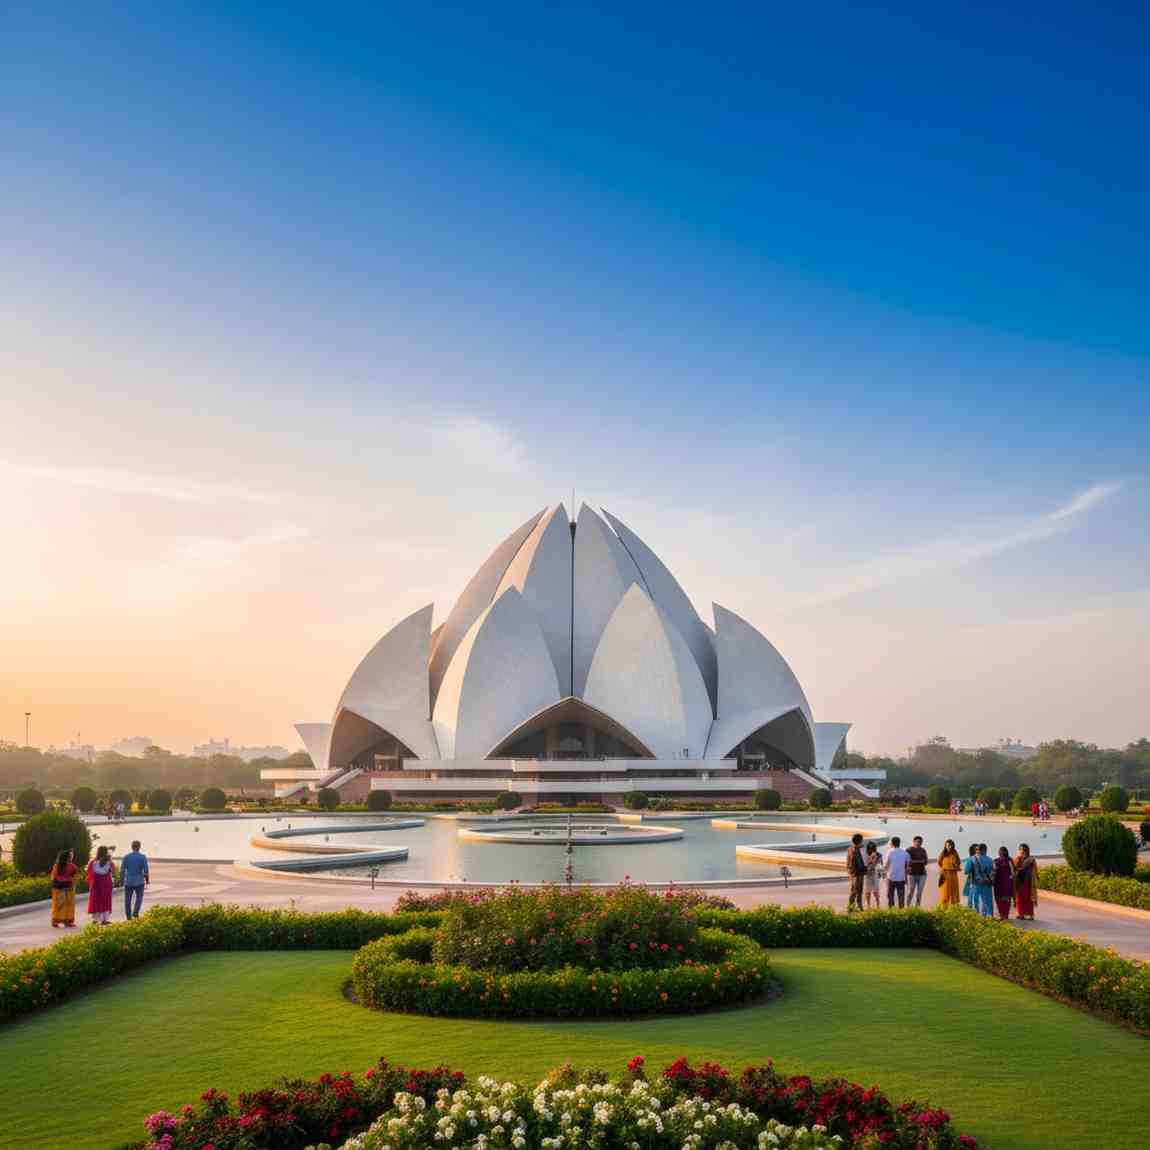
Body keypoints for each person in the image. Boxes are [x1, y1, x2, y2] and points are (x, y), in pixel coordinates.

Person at [86, 844, 116, 926]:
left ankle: (95, 919)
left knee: (95, 901)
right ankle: (104, 920)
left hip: (95, 884)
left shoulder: (93, 862)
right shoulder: (109, 862)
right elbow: (113, 872)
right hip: (106, 884)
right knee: (105, 900)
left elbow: (89, 873)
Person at [120, 840, 150, 919]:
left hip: (129, 881)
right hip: (139, 881)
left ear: (132, 847)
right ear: (139, 847)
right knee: (139, 898)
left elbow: (122, 870)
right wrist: (147, 880)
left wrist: (122, 880)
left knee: (127, 899)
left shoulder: (126, 857)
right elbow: (146, 870)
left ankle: (128, 916)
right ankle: (135, 912)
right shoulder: (142, 857)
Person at [50, 847, 78, 928]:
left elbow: (53, 877)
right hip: (69, 888)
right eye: (71, 855)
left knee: (58, 904)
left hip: (57, 888)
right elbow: (75, 877)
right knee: (69, 905)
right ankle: (68, 922)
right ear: (68, 857)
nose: (72, 857)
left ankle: (55, 921)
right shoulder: (73, 866)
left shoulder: (56, 866)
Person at [1014, 843, 1038, 920]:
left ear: (1027, 851)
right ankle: (1021, 914)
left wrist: (1036, 878)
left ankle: (1031, 915)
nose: (1022, 851)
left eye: (1024, 850)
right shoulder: (1018, 859)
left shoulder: (1031, 859)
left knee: (1028, 899)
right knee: (1020, 899)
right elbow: (1014, 869)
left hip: (1028, 882)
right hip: (1019, 881)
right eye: (1020, 849)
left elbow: (1035, 870)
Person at [885, 835, 909, 907]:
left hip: (891, 877)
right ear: (899, 843)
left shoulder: (889, 852)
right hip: (901, 878)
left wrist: (884, 871)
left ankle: (892, 911)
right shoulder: (905, 853)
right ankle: (901, 912)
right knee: (901, 896)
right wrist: (906, 878)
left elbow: (886, 865)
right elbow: (907, 867)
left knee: (890, 895)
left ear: (892, 843)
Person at [846, 832, 866, 912]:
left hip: (852, 872)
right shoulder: (857, 850)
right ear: (860, 841)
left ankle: (852, 907)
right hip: (858, 873)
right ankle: (857, 907)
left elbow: (848, 862)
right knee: (857, 891)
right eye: (862, 841)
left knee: (854, 891)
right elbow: (861, 863)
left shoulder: (850, 848)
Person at [906, 835, 928, 907]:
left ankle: (917, 908)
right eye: (918, 842)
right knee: (910, 892)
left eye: (921, 842)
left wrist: (915, 861)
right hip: (911, 874)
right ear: (914, 842)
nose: (919, 843)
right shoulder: (909, 850)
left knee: (919, 892)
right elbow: (907, 861)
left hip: (922, 874)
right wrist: (919, 861)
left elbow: (926, 862)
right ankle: (907, 907)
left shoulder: (923, 850)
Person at [992, 846, 1015, 919]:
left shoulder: (1009, 860)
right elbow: (992, 871)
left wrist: (1011, 879)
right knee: (998, 899)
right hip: (997, 884)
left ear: (1005, 852)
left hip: (1006, 883)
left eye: (1002, 851)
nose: (1000, 852)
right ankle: (1001, 915)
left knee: (1006, 900)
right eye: (999, 851)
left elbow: (1013, 872)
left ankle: (1005, 915)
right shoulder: (995, 860)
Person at [973, 843, 995, 915]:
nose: (977, 851)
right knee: (988, 900)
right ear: (986, 850)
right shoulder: (990, 860)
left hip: (978, 882)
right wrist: (990, 880)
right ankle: (989, 915)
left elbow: (971, 871)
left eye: (978, 849)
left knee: (978, 900)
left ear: (981, 850)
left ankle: (980, 915)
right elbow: (993, 871)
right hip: (988, 882)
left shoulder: (975, 859)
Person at [863, 841, 884, 909]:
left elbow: (881, 864)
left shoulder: (879, 855)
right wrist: (871, 860)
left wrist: (874, 860)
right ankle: (868, 905)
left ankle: (878, 905)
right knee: (868, 891)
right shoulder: (865, 855)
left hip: (875, 874)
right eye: (870, 848)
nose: (871, 849)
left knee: (876, 891)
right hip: (867, 874)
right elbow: (865, 864)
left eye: (873, 848)